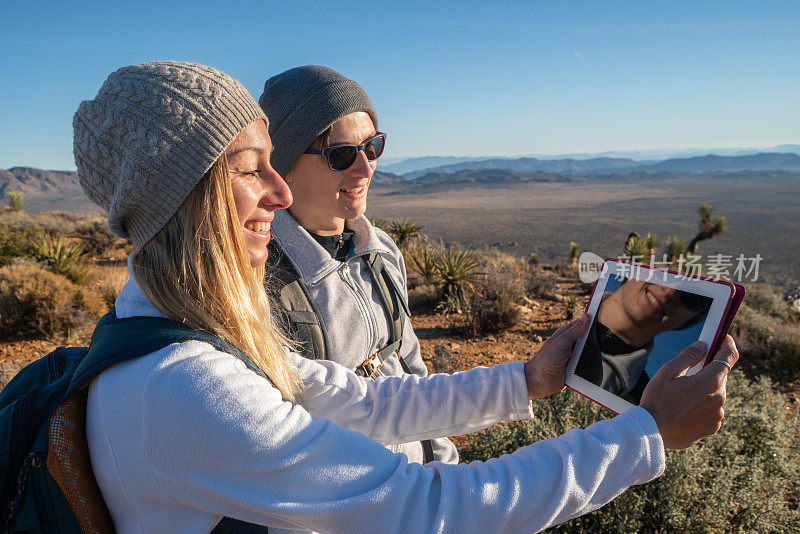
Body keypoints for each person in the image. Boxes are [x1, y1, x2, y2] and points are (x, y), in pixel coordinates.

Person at [76, 61, 738, 534]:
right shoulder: (186, 386)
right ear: (185, 199)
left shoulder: (181, 325)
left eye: (373, 148)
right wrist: (645, 437)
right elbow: (427, 510)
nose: (277, 194)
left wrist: (528, 379)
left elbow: (360, 397)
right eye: (253, 168)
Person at [257, 65, 457, 465]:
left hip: (415, 485)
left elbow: (410, 368)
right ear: (285, 163)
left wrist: (444, 464)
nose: (365, 168)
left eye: (372, 147)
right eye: (342, 154)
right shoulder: (258, 281)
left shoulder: (381, 252)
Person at [575, 278, 713, 402]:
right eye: (666, 271)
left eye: (694, 295)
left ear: (689, 321)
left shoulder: (645, 405)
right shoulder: (564, 296)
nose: (670, 291)